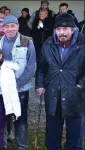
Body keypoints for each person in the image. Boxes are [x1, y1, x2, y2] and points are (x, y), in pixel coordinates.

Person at [36, 13, 85, 150]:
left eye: (65, 29)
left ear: (73, 29)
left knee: (75, 138)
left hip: (76, 97)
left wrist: (80, 85)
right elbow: (41, 68)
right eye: (58, 29)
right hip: (53, 95)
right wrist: (40, 85)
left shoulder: (83, 44)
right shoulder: (48, 44)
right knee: (52, 136)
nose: (61, 33)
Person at [0, 15, 36, 150]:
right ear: (3, 28)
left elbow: (31, 66)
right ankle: (1, 145)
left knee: (20, 119)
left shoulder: (27, 42)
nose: (10, 29)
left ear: (17, 26)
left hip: (20, 89)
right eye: (7, 26)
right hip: (1, 88)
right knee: (1, 118)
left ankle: (21, 146)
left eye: (12, 25)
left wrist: (16, 85)